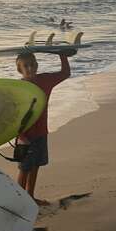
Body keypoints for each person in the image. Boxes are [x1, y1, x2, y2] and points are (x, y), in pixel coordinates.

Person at [15, 50, 74, 206]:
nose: (30, 68)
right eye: (25, 66)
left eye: (32, 65)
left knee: (36, 165)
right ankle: (18, 202)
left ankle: (30, 197)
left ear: (37, 65)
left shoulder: (45, 80)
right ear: (19, 70)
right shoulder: (18, 88)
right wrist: (20, 136)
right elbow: (13, 115)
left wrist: (62, 54)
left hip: (41, 133)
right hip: (25, 136)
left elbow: (65, 73)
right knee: (24, 168)